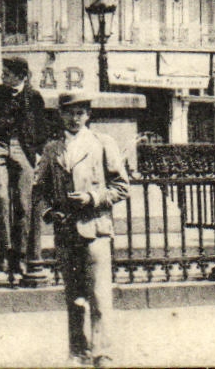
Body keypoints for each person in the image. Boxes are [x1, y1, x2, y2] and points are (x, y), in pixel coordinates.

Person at [33, 92, 128, 368]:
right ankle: (78, 350)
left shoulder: (102, 143)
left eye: (80, 113)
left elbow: (121, 186)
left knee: (99, 294)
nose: (74, 119)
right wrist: (49, 212)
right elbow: (38, 191)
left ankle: (102, 352)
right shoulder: (52, 149)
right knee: (73, 296)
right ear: (60, 115)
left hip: (95, 228)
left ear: (88, 115)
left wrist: (93, 198)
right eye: (68, 113)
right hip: (65, 231)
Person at [0, 57, 46, 280]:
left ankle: (21, 255)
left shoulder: (33, 97)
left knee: (24, 204)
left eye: (7, 73)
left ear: (20, 76)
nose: (2, 76)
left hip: (22, 148)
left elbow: (41, 127)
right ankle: (5, 253)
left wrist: (38, 154)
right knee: (1, 198)